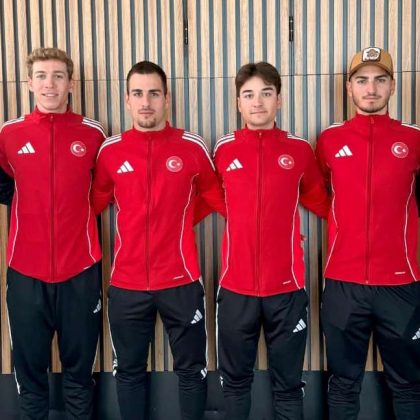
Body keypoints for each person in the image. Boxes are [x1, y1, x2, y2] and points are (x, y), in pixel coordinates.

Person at [91, 60, 225, 420]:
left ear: (167, 98)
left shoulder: (192, 146)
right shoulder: (110, 151)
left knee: (191, 370)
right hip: (127, 283)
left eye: (154, 93)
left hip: (181, 280)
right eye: (138, 93)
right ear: (127, 99)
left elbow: (217, 198)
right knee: (129, 372)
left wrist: (177, 220)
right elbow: (91, 206)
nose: (146, 102)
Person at [213, 62, 330, 420]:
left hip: (287, 288)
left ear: (279, 100)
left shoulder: (299, 150)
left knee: (289, 385)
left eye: (266, 93)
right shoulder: (223, 149)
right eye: (249, 95)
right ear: (238, 103)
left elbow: (321, 201)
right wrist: (245, 220)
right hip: (236, 288)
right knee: (235, 384)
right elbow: (207, 196)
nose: (258, 102)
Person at [0, 47, 105, 419]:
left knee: (80, 373)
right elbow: (5, 187)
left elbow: (103, 190)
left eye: (58, 76)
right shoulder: (8, 134)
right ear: (29, 83)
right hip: (26, 271)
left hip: (81, 270)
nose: (50, 84)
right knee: (30, 373)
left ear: (71, 83)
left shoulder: (93, 134)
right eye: (42, 76)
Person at [316, 47, 420, 420]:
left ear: (392, 86)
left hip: (401, 284)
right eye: (362, 80)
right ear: (349, 88)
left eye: (380, 80)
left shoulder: (414, 139)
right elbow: (320, 194)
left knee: (408, 383)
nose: (371, 89)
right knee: (343, 383)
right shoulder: (328, 140)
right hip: (343, 284)